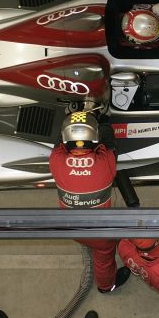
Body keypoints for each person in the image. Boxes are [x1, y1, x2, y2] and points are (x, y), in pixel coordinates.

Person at [48, 110, 130, 294]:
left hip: (72, 227)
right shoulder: (105, 162)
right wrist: (105, 122)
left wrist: (68, 118)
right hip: (99, 233)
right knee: (104, 258)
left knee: (94, 248)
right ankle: (106, 286)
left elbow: (58, 143)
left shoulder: (56, 161)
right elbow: (109, 143)